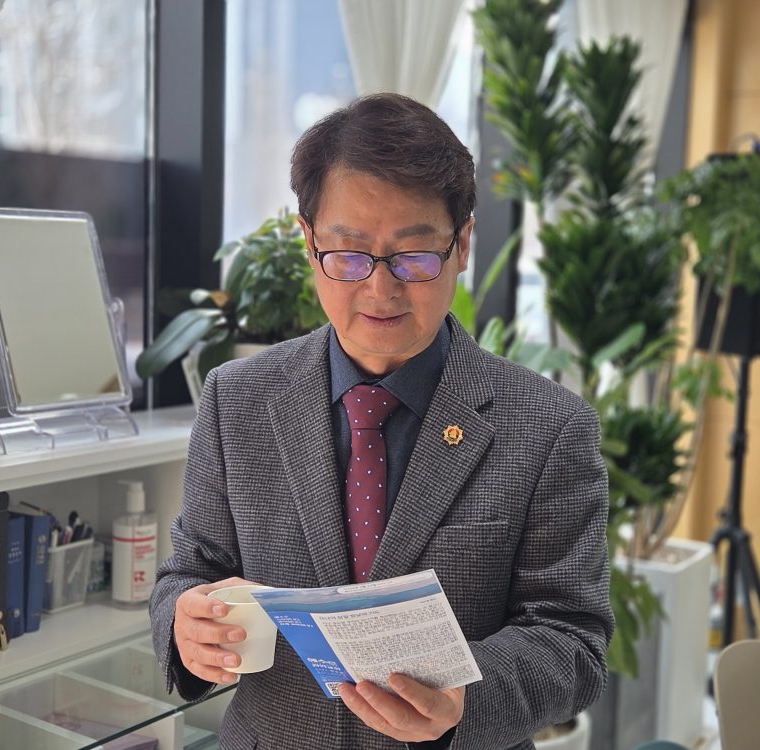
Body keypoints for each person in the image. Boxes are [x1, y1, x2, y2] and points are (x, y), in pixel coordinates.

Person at [150, 92, 613, 750]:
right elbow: (193, 569)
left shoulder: (548, 427)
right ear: (309, 242)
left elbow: (572, 639)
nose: (380, 288)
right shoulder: (238, 398)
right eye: (349, 254)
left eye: (413, 256)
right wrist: (184, 622)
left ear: (461, 245)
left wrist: (466, 698)